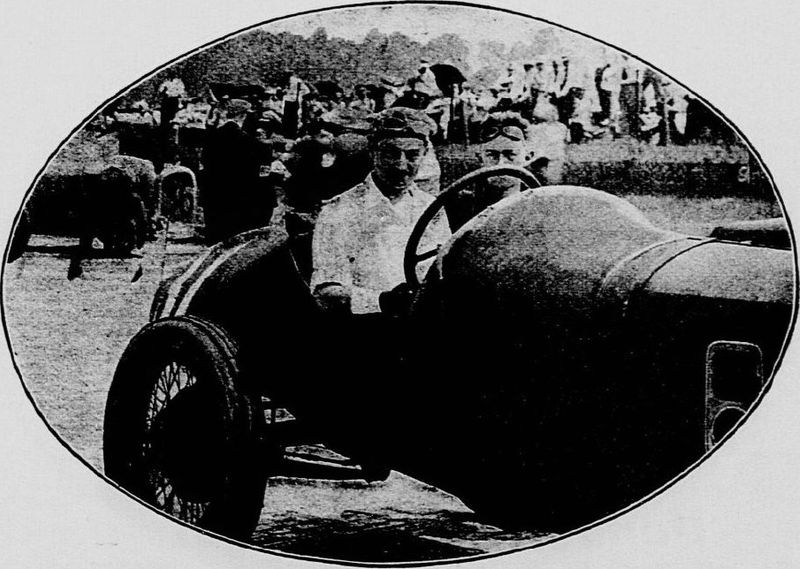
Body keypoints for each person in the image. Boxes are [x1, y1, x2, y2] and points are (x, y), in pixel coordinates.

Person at [310, 107, 449, 315]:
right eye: (391, 154)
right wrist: (383, 301)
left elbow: (444, 272)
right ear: (373, 152)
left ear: (425, 154)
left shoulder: (431, 209)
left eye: (412, 155)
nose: (401, 166)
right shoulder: (340, 211)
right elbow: (326, 294)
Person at [200, 98, 276, 243]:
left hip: (215, 199)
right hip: (241, 202)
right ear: (243, 116)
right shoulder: (252, 143)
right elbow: (261, 177)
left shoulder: (211, 137)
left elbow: (204, 164)